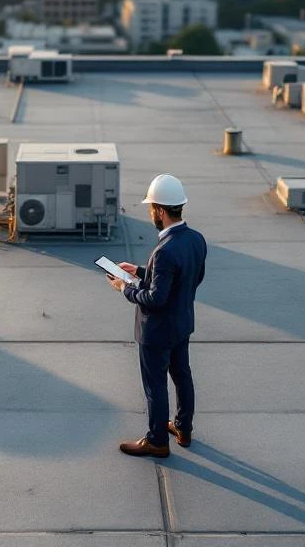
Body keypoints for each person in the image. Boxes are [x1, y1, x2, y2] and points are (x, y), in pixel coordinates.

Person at [108, 174, 207, 458]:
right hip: (182, 324)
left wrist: (124, 287)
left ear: (160, 211)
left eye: (151, 208)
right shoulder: (195, 240)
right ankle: (183, 429)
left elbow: (154, 298)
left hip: (157, 332)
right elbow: (189, 279)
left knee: (155, 386)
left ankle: (157, 440)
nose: (151, 213)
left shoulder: (164, 251)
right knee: (182, 376)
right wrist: (140, 271)